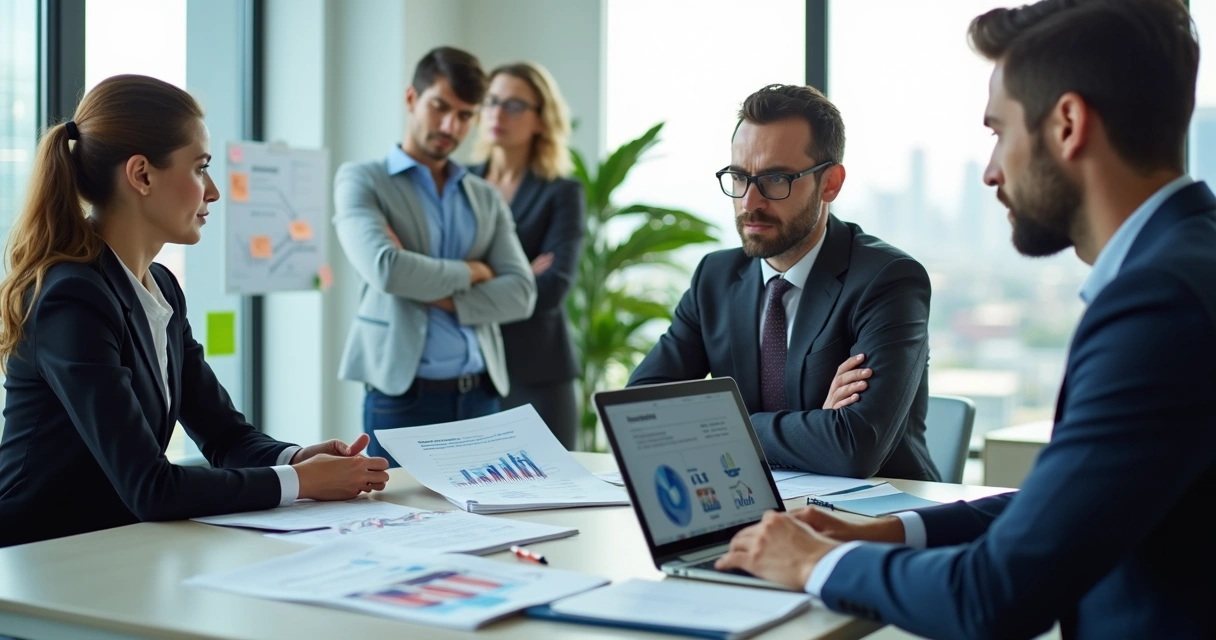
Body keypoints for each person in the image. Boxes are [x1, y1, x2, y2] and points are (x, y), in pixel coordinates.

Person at [715, 1, 1216, 638]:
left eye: (998, 131)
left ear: (1067, 125)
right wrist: (889, 529)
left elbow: (991, 597)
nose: (991, 170)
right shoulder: (1189, 264)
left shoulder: (1159, 304)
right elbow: (1064, 511)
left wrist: (818, 562)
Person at [0, 75, 390, 549]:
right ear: (141, 175)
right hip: (37, 561)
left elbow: (226, 437)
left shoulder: (160, 285)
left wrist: (298, 459)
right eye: (201, 168)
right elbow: (152, 488)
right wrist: (305, 484)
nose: (213, 192)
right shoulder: (71, 298)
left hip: (110, 552)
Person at [628, 84, 939, 481]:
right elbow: (638, 411)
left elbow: (853, 447)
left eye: (775, 179)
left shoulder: (887, 280)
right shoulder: (716, 277)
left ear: (830, 183)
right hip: (749, 501)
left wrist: (711, 423)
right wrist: (811, 424)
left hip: (878, 516)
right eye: (739, 177)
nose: (749, 202)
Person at [333, 47, 536, 467]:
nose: (449, 126)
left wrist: (428, 286)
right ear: (412, 98)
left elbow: (521, 293)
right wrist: (476, 271)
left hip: (481, 397)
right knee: (403, 529)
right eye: (439, 107)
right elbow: (388, 271)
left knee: (490, 524)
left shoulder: (484, 196)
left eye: (464, 115)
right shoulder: (362, 180)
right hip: (404, 400)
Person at [470, 62, 585, 449]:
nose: (498, 114)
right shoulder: (457, 182)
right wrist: (516, 275)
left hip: (538, 374)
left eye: (515, 105)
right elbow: (433, 275)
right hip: (469, 370)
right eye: (491, 101)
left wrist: (474, 277)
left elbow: (552, 288)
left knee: (549, 497)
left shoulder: (562, 192)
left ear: (541, 119)